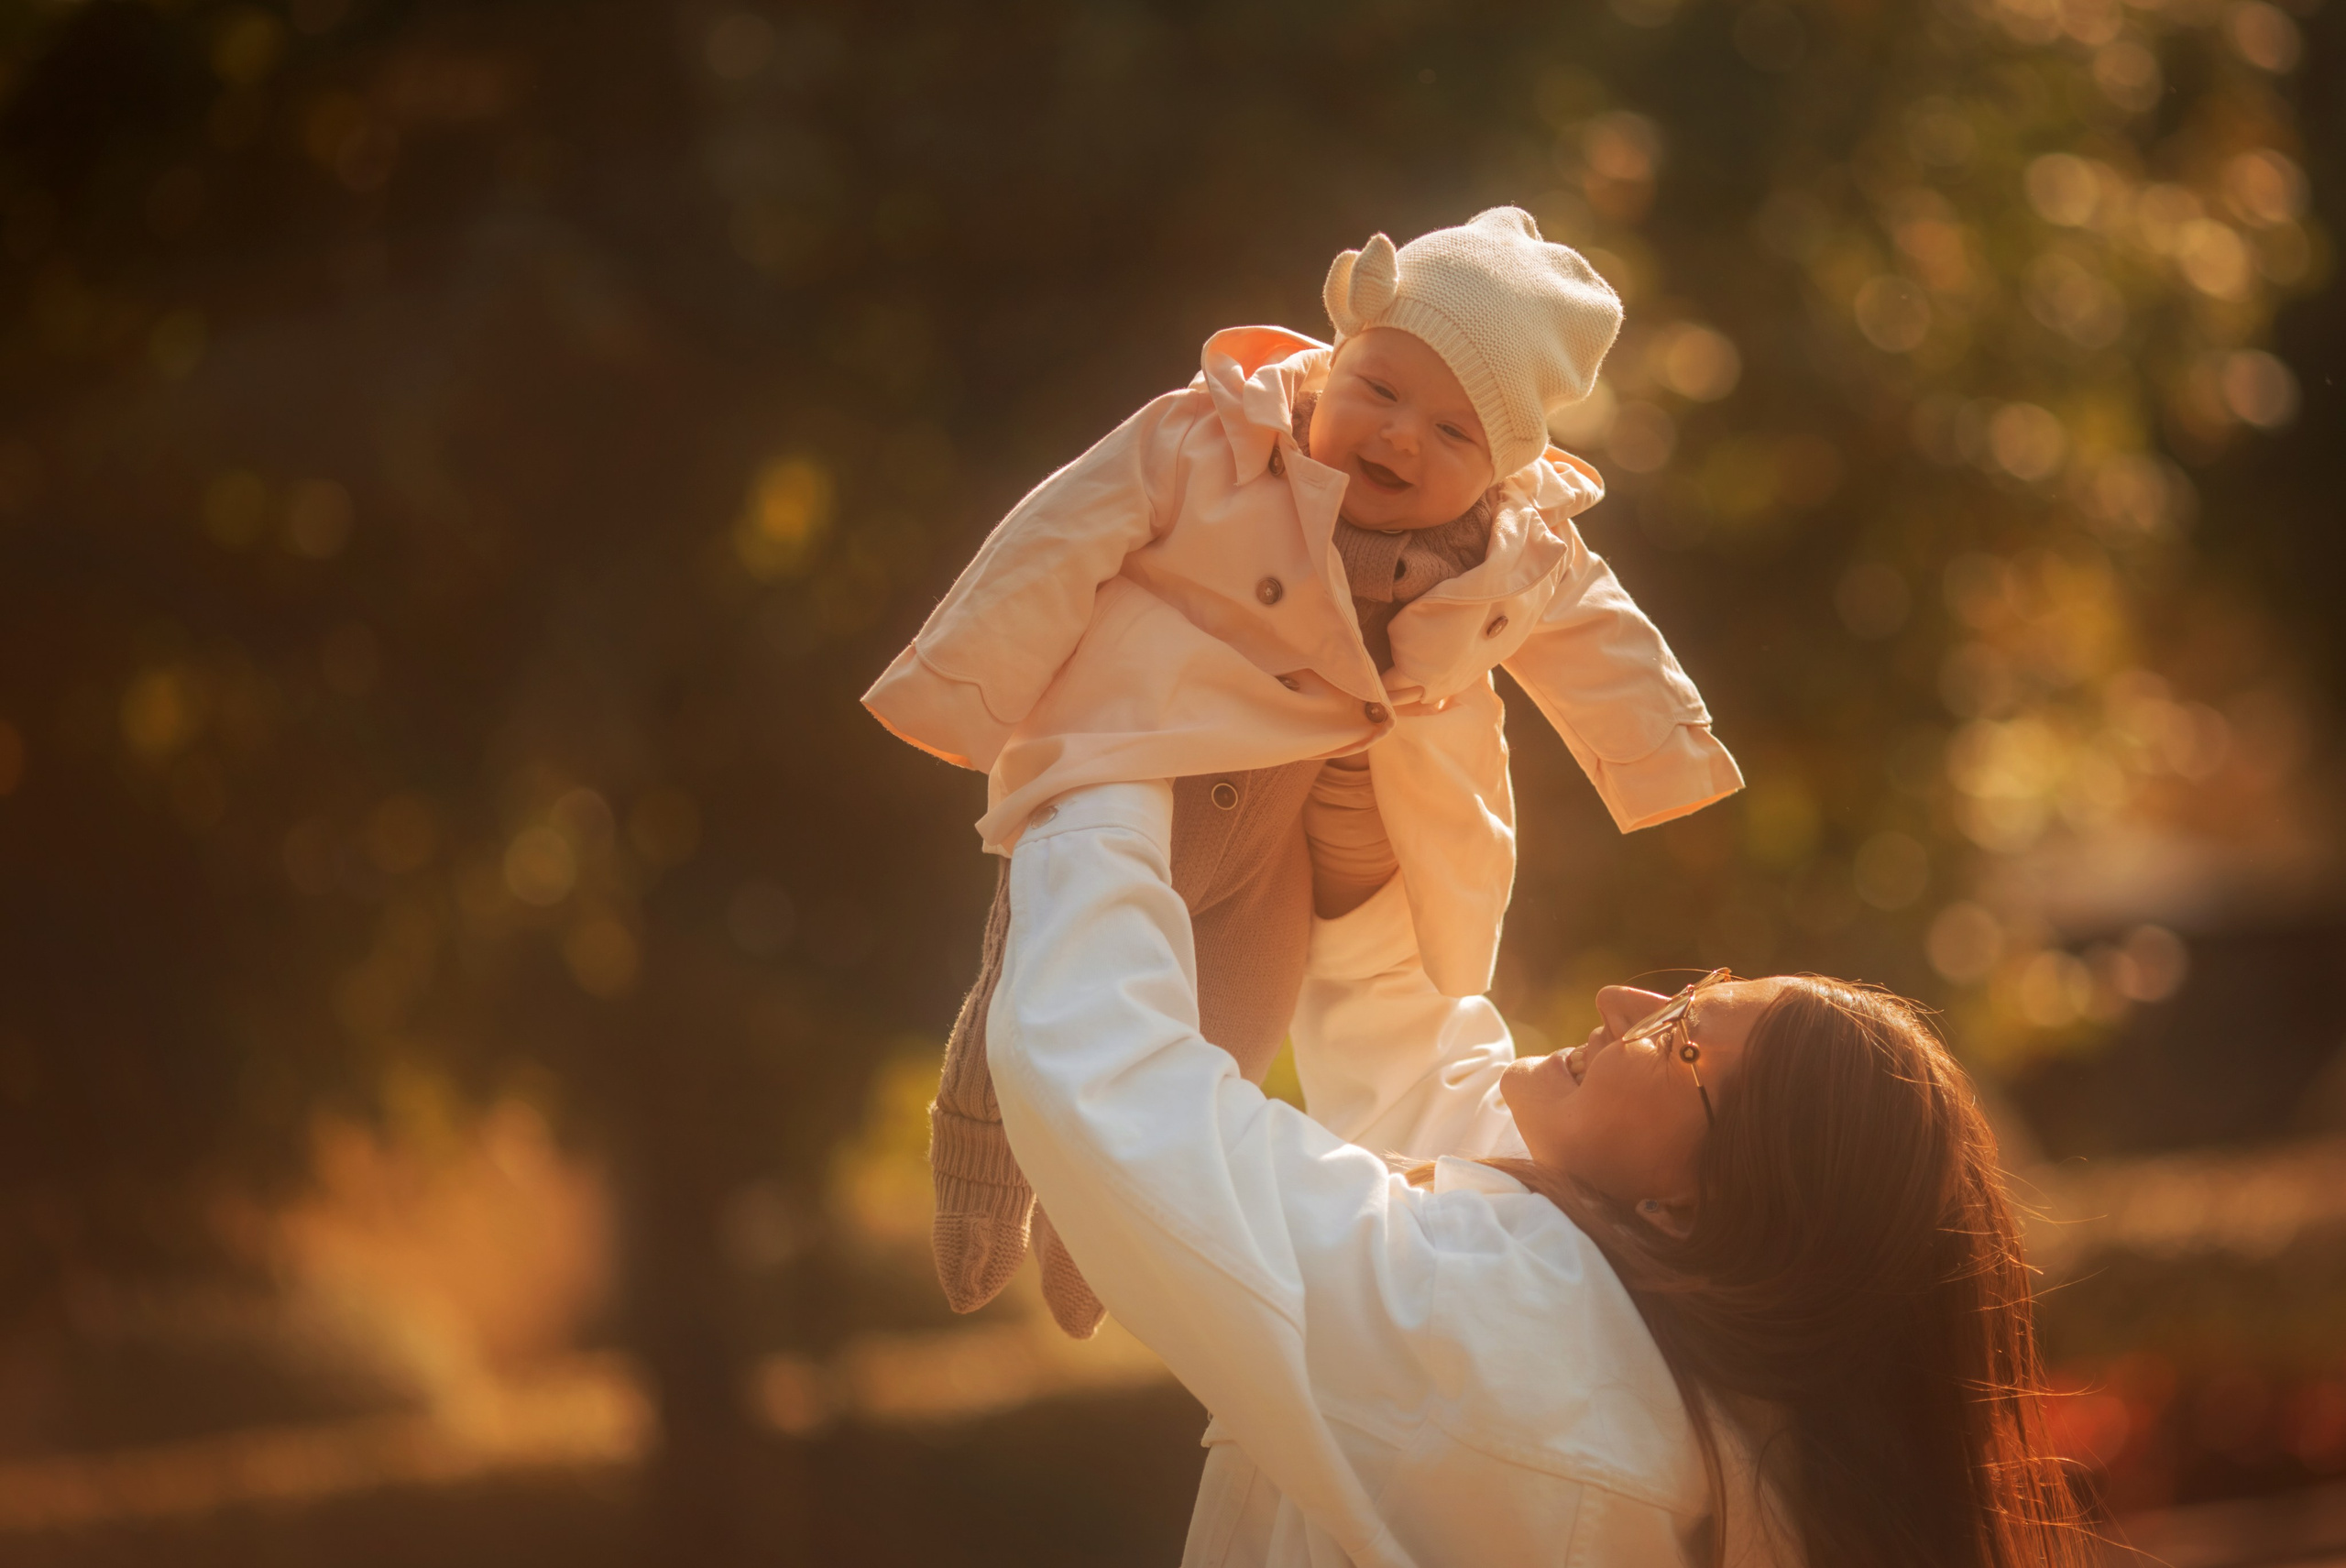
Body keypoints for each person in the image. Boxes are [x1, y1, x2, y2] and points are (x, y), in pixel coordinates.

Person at [864, 207, 1741, 1336]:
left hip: (1305, 842)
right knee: (1033, 978)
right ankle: (979, 1165)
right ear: (1333, 360)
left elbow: (1602, 637)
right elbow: (1060, 531)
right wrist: (968, 686)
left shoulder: (1514, 548)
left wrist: (1665, 765)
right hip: (1162, 760)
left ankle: (1104, 1236)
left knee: (1228, 1028)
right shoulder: (1209, 441)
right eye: (1379, 389)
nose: (1400, 438)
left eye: (1454, 433)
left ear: (1504, 467)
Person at [989, 780, 2096, 1567]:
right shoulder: (1694, 1375)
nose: (1623, 1004)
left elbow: (1108, 1088)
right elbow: (1429, 1100)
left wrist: (1106, 770)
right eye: (1686, 992)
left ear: (1704, 1207)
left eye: (1682, 1039)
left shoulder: (1525, 1352)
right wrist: (1363, 846)